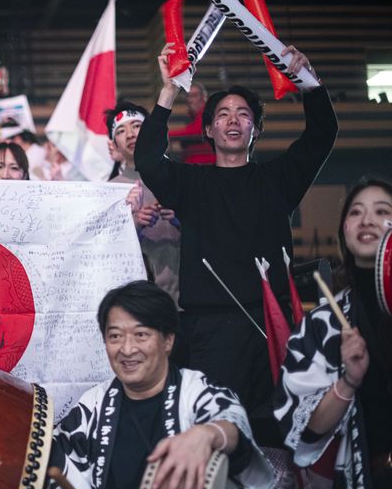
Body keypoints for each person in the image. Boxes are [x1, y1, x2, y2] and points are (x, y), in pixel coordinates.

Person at [135, 43, 338, 446]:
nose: (233, 120)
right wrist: (169, 91)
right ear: (208, 129)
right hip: (209, 332)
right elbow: (148, 159)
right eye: (223, 114)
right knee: (217, 433)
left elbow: (322, 135)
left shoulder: (279, 180)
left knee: (277, 432)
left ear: (255, 130)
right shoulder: (191, 183)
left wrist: (309, 83)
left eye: (243, 114)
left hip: (273, 325)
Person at [34, 281, 274, 489]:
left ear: (168, 340)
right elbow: (57, 481)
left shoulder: (195, 390)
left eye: (141, 335)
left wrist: (207, 434)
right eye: (115, 336)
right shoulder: (93, 404)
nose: (127, 349)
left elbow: (232, 423)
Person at [275, 177, 392, 489]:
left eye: (382, 211)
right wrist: (348, 381)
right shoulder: (322, 323)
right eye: (356, 212)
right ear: (344, 230)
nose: (367, 220)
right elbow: (305, 431)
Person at [106, 101, 181, 303]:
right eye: (121, 130)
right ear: (113, 145)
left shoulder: (181, 177)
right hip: (140, 302)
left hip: (189, 297)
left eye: (137, 126)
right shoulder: (110, 191)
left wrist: (180, 218)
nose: (130, 134)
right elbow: (104, 251)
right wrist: (134, 223)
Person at [168, 82, 216, 165]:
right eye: (188, 96)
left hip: (205, 166)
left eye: (194, 95)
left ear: (204, 97)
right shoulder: (192, 118)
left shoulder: (208, 114)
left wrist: (165, 134)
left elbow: (197, 131)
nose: (189, 100)